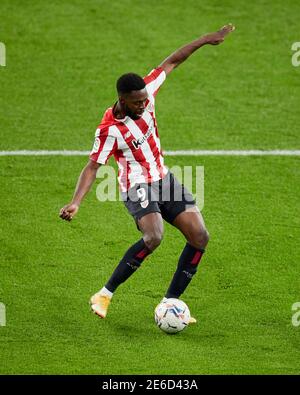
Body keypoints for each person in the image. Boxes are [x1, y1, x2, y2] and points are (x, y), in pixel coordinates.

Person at [59, 24, 235, 322]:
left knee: (200, 235)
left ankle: (171, 304)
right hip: (136, 185)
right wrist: (76, 202)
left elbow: (173, 60)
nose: (144, 105)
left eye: (145, 99)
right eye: (137, 102)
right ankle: (104, 294)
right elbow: (92, 167)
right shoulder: (109, 131)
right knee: (154, 236)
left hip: (163, 178)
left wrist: (206, 39)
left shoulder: (147, 92)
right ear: (122, 99)